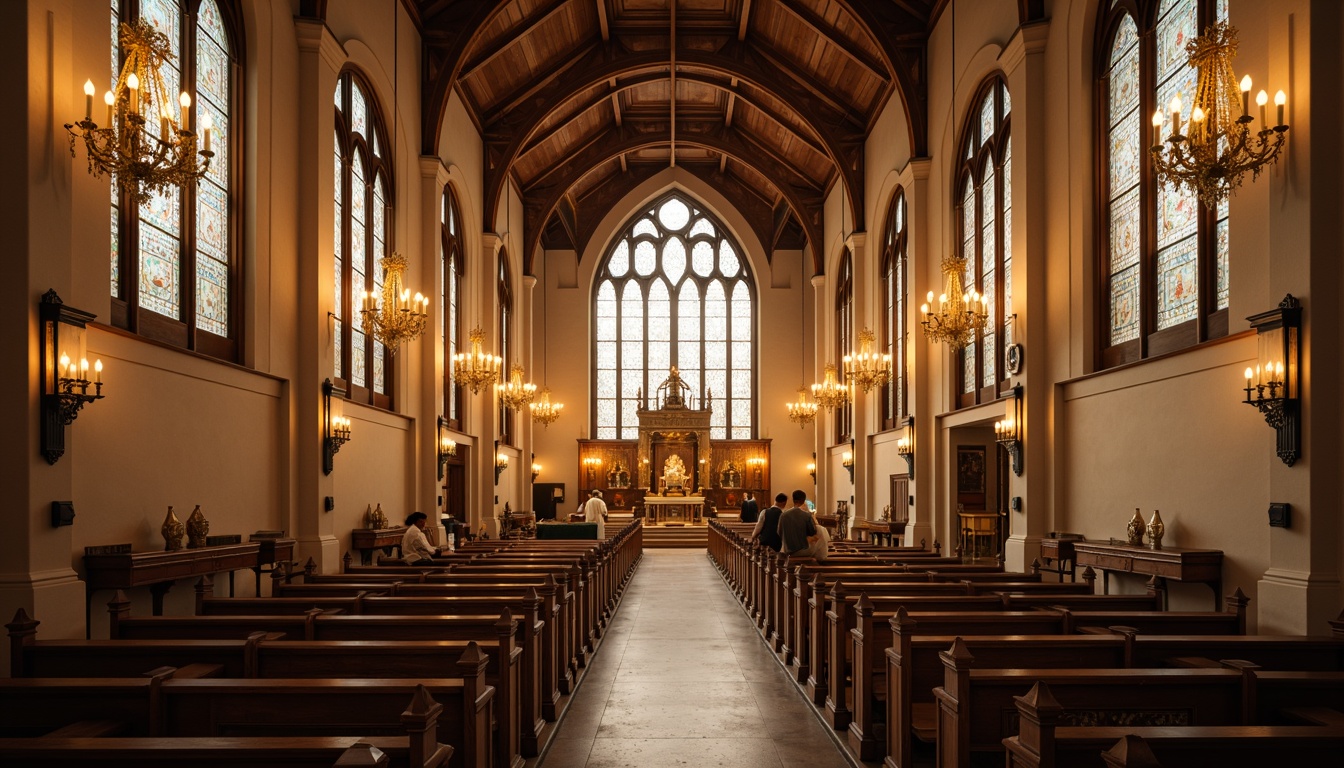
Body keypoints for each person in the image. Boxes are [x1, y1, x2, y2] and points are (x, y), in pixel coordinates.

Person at [778, 489, 826, 561]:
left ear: (793, 500)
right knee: (821, 542)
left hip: (787, 550)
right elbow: (812, 532)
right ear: (803, 501)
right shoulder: (806, 515)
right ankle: (821, 565)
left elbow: (779, 532)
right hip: (803, 551)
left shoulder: (783, 515)